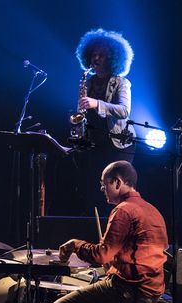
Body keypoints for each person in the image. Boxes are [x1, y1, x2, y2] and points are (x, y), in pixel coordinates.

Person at [50, 161, 167, 303]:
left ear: (117, 182)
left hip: (130, 290)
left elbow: (102, 254)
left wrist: (75, 245)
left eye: (104, 184)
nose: (102, 189)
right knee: (95, 287)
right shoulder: (151, 209)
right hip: (153, 290)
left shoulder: (123, 211)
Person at [60, 29, 134, 215]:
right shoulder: (89, 81)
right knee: (95, 192)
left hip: (118, 144)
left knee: (116, 191)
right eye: (94, 54)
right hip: (96, 142)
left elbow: (124, 111)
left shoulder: (121, 83)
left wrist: (96, 103)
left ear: (112, 58)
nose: (96, 58)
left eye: (101, 55)